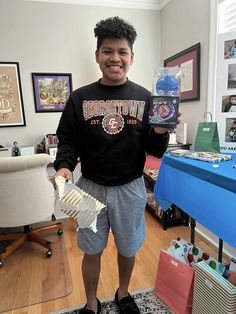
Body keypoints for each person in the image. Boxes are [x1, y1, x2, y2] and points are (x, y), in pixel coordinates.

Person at [54, 16, 174, 314]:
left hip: (131, 188)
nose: (115, 58)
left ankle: (123, 293)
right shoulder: (79, 99)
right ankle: (92, 303)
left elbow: (155, 150)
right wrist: (64, 166)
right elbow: (67, 139)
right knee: (91, 249)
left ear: (131, 58)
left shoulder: (147, 99)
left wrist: (160, 132)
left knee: (128, 248)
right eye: (108, 51)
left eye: (122, 52)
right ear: (97, 55)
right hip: (88, 188)